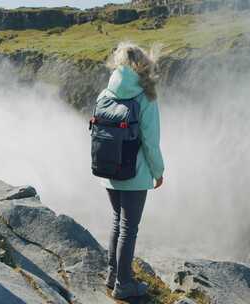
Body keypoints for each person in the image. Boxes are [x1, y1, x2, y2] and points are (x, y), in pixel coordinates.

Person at [96, 42, 165, 299]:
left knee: (117, 221)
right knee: (129, 227)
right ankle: (124, 284)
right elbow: (150, 141)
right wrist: (158, 171)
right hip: (134, 174)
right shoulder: (144, 96)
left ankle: (113, 274)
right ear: (143, 64)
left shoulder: (106, 93)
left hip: (109, 169)